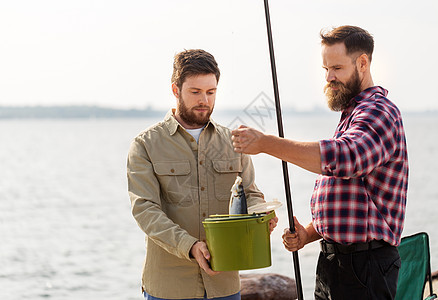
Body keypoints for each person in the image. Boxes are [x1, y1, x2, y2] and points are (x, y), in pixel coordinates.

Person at [231, 26, 408, 299]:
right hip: (334, 264)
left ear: (362, 62)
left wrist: (267, 143)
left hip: (364, 267)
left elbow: (347, 158)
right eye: (325, 69)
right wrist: (309, 234)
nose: (329, 77)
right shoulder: (353, 114)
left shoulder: (379, 111)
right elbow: (355, 201)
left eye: (336, 67)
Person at [127, 49, 277, 300]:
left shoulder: (234, 142)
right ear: (176, 90)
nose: (204, 100)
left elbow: (250, 194)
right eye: (195, 92)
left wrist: (261, 215)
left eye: (211, 92)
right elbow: (145, 210)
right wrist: (190, 246)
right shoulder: (145, 145)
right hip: (168, 288)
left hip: (225, 286)